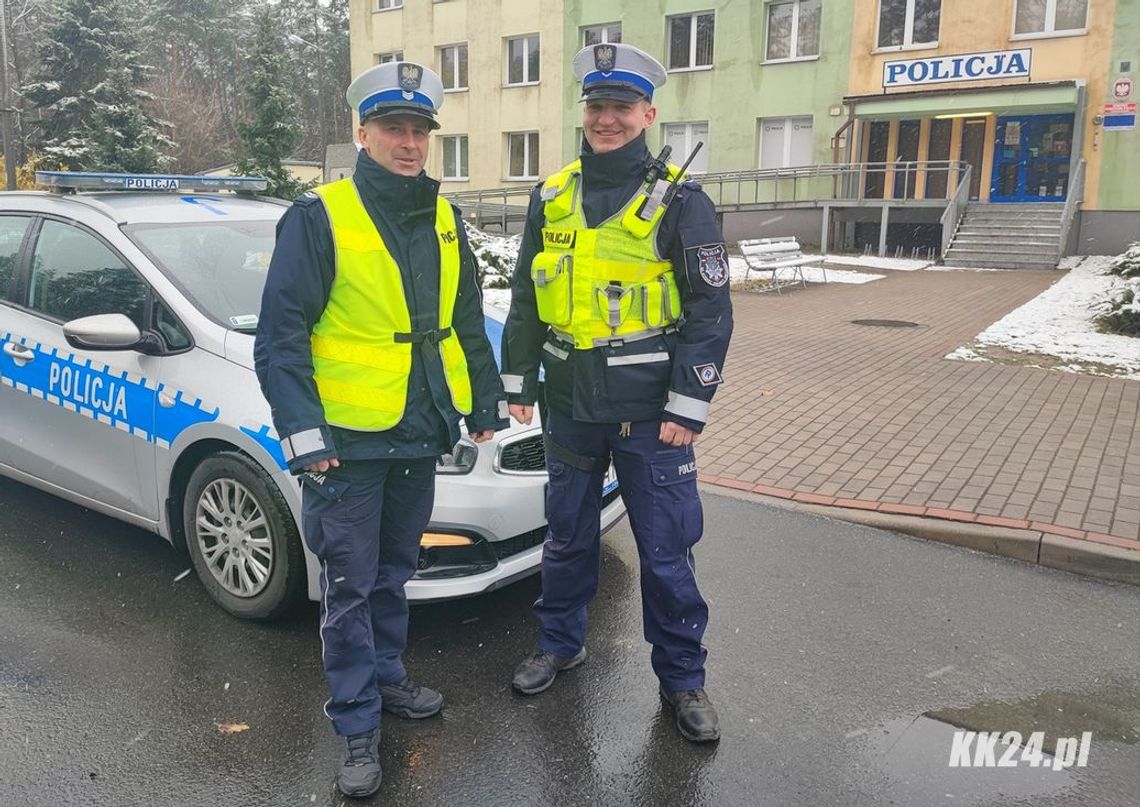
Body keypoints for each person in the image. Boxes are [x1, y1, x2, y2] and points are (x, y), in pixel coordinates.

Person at [254, 60, 508, 798]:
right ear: (361, 132)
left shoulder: (443, 216)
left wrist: (483, 404)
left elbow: (463, 320)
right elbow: (281, 338)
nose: (408, 141)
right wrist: (305, 437)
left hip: (420, 429)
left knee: (396, 571)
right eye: (393, 127)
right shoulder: (318, 215)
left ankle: (388, 676)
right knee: (348, 585)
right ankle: (356, 720)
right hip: (346, 444)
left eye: (419, 129)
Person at [500, 42, 733, 743]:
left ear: (648, 113)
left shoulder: (682, 202)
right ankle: (559, 642)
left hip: (648, 416)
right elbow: (524, 299)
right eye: (597, 106)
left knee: (665, 552)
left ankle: (683, 681)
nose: (607, 119)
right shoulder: (553, 195)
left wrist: (688, 406)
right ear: (585, 111)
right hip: (569, 404)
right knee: (567, 538)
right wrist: (519, 385)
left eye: (621, 107)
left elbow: (710, 312)